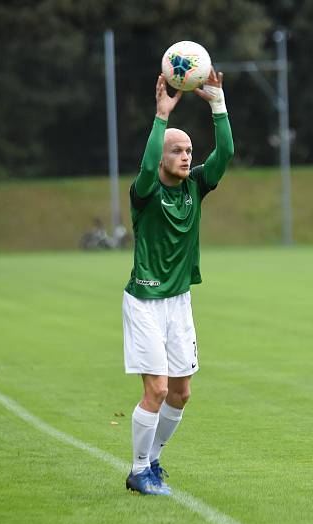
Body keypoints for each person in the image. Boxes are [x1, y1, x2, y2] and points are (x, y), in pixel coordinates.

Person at [123, 68, 233, 496]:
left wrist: (217, 105)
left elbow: (225, 153)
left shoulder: (196, 187)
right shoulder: (145, 191)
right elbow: (149, 163)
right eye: (178, 151)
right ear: (163, 157)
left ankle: (153, 461)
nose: (186, 156)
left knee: (181, 393)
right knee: (157, 390)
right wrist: (161, 116)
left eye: (189, 150)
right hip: (146, 301)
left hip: (179, 302)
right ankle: (137, 470)